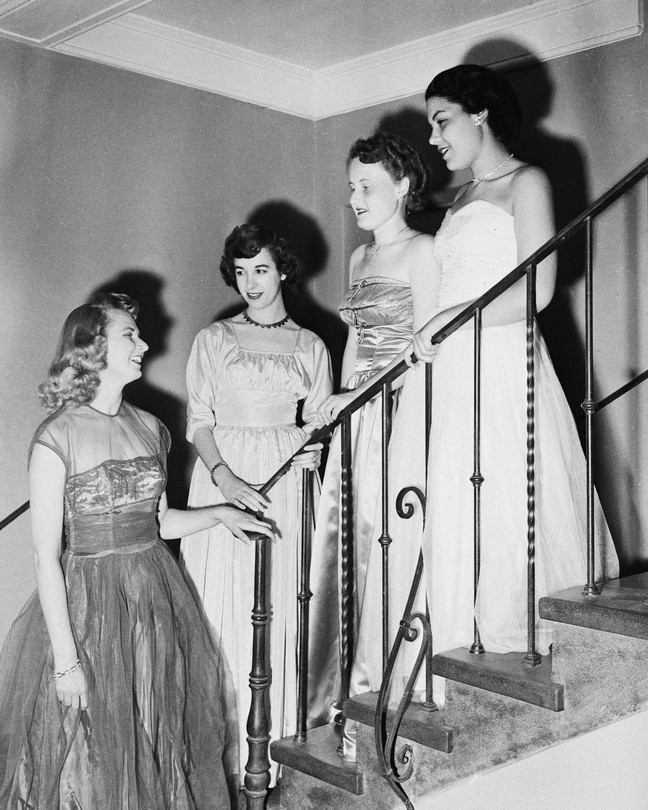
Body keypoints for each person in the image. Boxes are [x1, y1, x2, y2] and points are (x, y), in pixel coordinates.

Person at [0, 292, 273, 809]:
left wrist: (218, 514)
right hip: (87, 606)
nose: (144, 344)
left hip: (151, 598)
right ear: (94, 346)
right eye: (130, 334)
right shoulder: (56, 437)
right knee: (91, 749)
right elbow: (44, 557)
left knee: (154, 734)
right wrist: (64, 661)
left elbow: (160, 521)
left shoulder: (150, 426)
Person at [410, 64, 618, 700]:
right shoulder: (461, 201)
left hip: (500, 359)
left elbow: (540, 287)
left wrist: (454, 320)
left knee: (505, 484)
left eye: (442, 121)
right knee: (457, 492)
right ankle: (460, 640)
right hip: (451, 370)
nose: (435, 137)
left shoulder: (526, 181)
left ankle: (520, 637)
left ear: (480, 114)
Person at [179, 225, 332, 786]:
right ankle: (223, 759)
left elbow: (319, 419)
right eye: (240, 272)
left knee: (283, 600)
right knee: (225, 602)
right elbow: (199, 421)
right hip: (225, 474)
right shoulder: (214, 338)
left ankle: (278, 749)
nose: (250, 283)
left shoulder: (311, 344)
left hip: (286, 477)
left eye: (261, 270)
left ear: (284, 270)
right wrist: (225, 478)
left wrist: (313, 453)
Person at [309, 133, 438, 758]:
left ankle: (402, 686)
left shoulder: (424, 250)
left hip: (405, 410)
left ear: (404, 187)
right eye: (351, 186)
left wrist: (369, 395)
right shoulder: (359, 260)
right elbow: (355, 345)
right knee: (351, 546)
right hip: (360, 416)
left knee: (397, 543)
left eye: (367, 187)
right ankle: (351, 696)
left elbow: (428, 348)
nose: (354, 197)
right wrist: (340, 400)